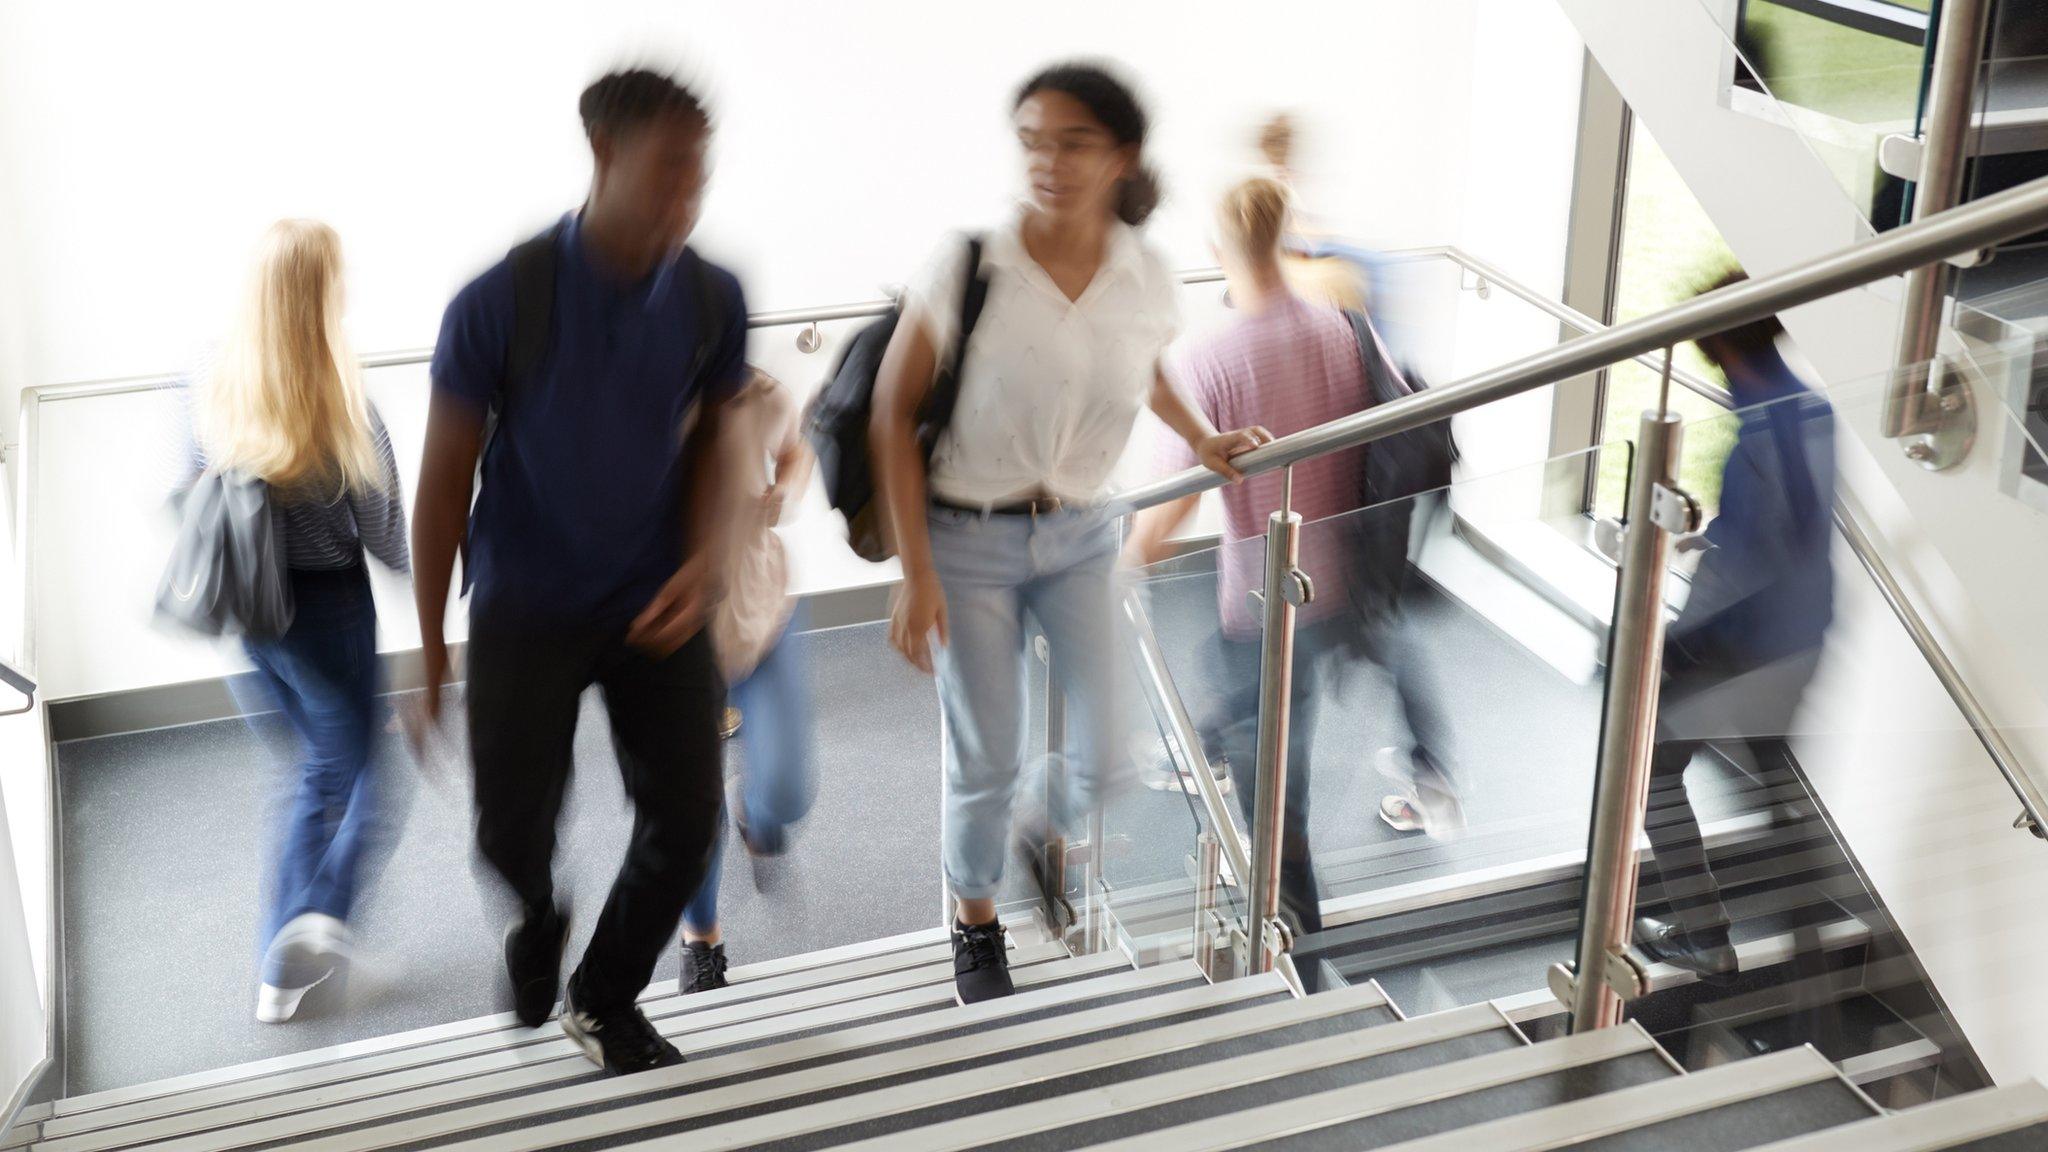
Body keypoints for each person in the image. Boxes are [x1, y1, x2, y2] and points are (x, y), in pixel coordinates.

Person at [873, 61, 1267, 1004]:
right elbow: (892, 413)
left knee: (1115, 749)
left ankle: (1037, 825)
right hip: (967, 537)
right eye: (1033, 140)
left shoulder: (1143, 272)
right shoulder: (973, 263)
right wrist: (914, 571)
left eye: (1074, 142)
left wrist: (1202, 435)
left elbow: (1145, 364)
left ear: (1120, 155)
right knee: (987, 751)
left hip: (1083, 531)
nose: (1047, 161)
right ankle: (974, 922)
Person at [414, 68, 745, 1074]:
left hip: (654, 598)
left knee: (688, 821)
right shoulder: (501, 300)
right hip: (527, 604)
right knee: (510, 828)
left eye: (700, 173)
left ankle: (604, 997)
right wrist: (430, 646)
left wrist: (704, 563)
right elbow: (441, 481)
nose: (686, 195)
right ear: (602, 154)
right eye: (668, 170)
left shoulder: (708, 295)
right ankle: (536, 915)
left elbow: (716, 445)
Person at [1126, 176, 1377, 938]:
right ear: (1281, 240)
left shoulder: (1214, 356)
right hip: (1337, 580)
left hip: (1263, 596)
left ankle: (1290, 916)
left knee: (1273, 767)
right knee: (1267, 721)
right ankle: (1217, 761)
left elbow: (1175, 495)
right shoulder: (1338, 326)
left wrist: (1124, 563)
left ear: (1216, 250)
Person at [175, 219, 411, 1024]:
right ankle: (312, 926)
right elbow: (384, 536)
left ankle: (283, 975)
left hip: (252, 617)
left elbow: (195, 489)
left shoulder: (209, 381)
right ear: (320, 297)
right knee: (366, 782)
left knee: (311, 774)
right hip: (329, 613)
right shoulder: (343, 402)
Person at [1634, 267, 1835, 984]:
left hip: (1746, 645)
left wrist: (1672, 645)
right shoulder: (1812, 407)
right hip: (1806, 636)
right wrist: (1710, 530)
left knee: (1651, 768)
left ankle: (1706, 936)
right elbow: (1790, 529)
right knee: (1777, 781)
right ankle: (1813, 955)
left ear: (1724, 347)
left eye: (1708, 352)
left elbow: (1751, 560)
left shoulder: (1758, 435)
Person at [680, 368, 818, 993]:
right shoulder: (617, 402)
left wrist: (782, 490)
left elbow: (795, 447)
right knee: (687, 812)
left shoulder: (749, 388)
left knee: (790, 790)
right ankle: (702, 937)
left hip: (761, 617)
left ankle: (759, 818)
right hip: (675, 645)